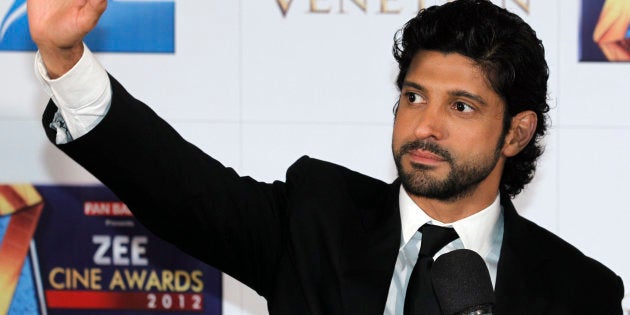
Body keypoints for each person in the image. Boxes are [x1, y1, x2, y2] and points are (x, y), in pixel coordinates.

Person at [28, 0, 624, 313]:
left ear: (516, 133)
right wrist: (66, 59)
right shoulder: (317, 218)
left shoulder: (579, 291)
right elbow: (175, 184)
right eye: (413, 96)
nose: (425, 124)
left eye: (462, 107)